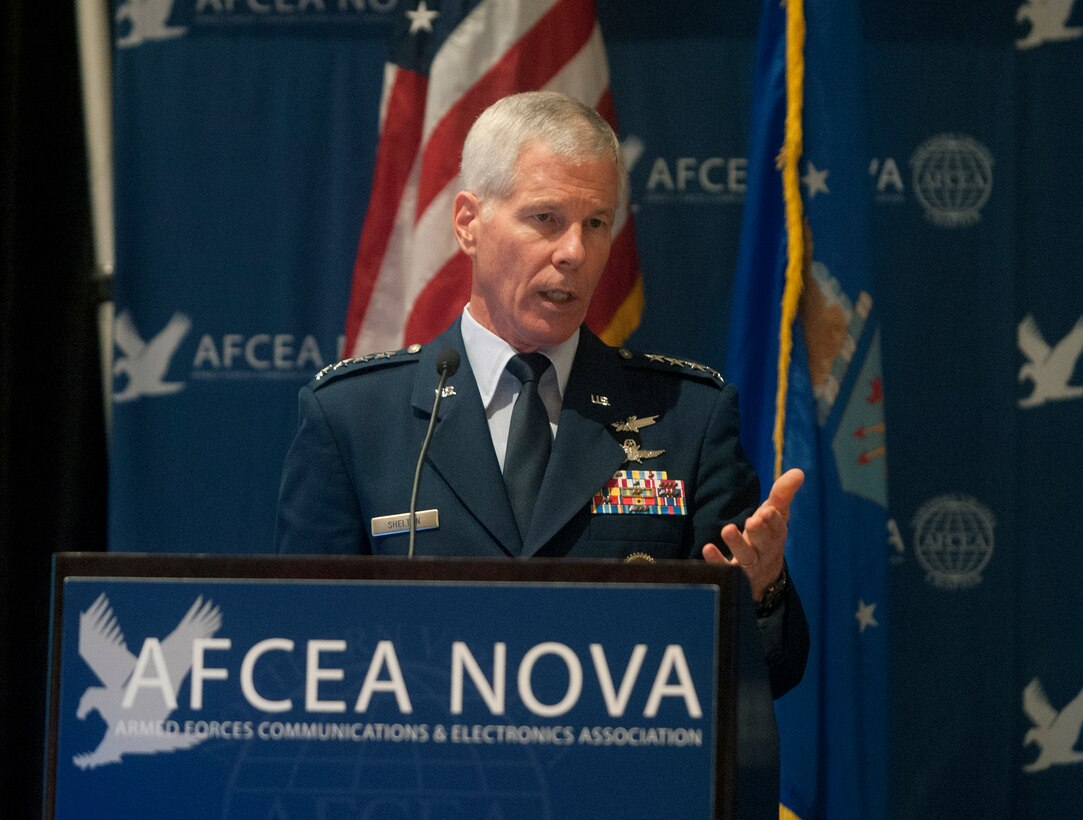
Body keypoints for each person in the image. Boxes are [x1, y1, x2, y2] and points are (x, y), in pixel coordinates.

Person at [276, 91, 808, 698]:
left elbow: (771, 675)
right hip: (423, 782)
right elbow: (299, 653)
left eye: (596, 224)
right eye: (545, 219)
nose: (574, 253)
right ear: (468, 223)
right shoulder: (352, 417)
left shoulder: (686, 416)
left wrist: (762, 594)